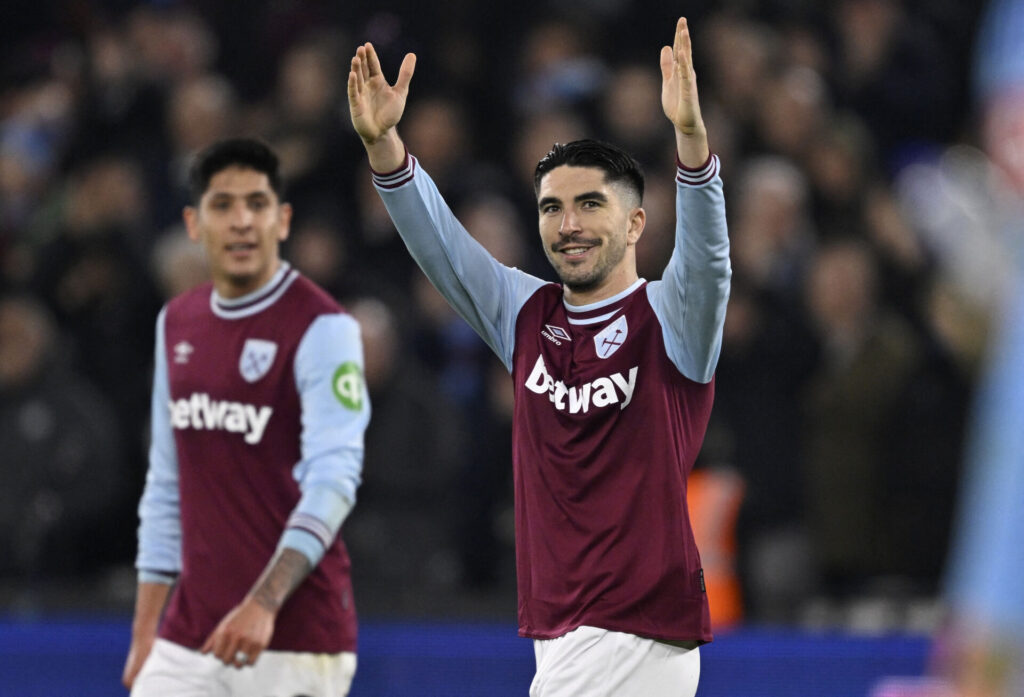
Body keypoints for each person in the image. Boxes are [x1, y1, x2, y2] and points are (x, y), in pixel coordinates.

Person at [348, 17, 730, 696]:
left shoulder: (670, 320)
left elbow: (708, 264)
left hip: (635, 630)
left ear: (636, 223)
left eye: (589, 204)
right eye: (552, 207)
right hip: (562, 630)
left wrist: (694, 150)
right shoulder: (528, 314)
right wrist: (386, 148)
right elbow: (445, 251)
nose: (569, 224)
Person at [121, 138, 369, 697]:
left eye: (257, 204)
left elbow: (334, 482)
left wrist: (262, 603)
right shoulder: (176, 323)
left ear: (282, 221)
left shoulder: (323, 328)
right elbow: (166, 485)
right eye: (223, 205)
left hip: (295, 637)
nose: (241, 222)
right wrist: (144, 634)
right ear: (193, 222)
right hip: (190, 633)